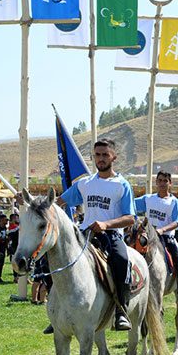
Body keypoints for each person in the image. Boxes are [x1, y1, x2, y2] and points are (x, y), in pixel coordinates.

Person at [57, 138, 136, 330]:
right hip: (84, 235)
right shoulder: (84, 184)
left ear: (114, 157)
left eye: (105, 155)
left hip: (111, 236)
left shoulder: (122, 185)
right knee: (58, 259)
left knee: (122, 260)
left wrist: (106, 223)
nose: (100, 159)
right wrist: (32, 201)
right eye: (98, 155)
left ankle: (121, 312)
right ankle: (58, 309)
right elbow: (59, 202)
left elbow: (130, 218)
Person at [134, 171, 178, 304]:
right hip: (147, 237)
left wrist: (162, 229)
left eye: (165, 181)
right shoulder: (148, 199)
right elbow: (131, 205)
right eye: (159, 180)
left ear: (169, 183)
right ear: (156, 182)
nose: (162, 183)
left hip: (166, 237)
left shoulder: (174, 202)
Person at [7, 213, 20, 283]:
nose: (17, 219)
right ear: (11, 220)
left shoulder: (18, 226)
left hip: (18, 246)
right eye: (15, 218)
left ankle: (19, 277)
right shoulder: (12, 227)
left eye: (17, 217)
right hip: (14, 247)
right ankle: (16, 277)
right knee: (15, 263)